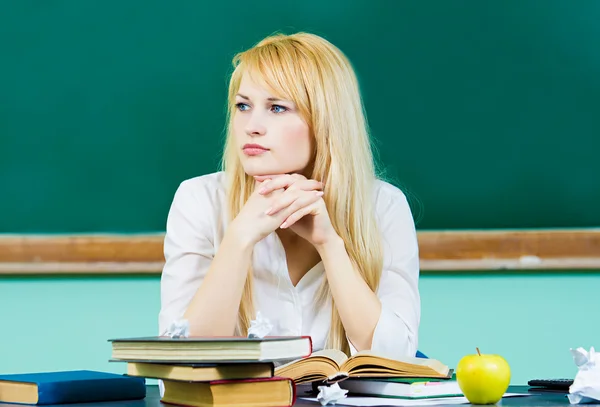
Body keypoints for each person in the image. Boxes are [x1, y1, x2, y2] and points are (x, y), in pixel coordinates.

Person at [158, 32, 420, 359]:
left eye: (277, 108)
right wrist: (239, 238)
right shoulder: (199, 199)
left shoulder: (384, 205)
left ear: (324, 121)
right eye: (243, 106)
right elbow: (181, 359)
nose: (252, 126)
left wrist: (330, 245)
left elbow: (396, 359)